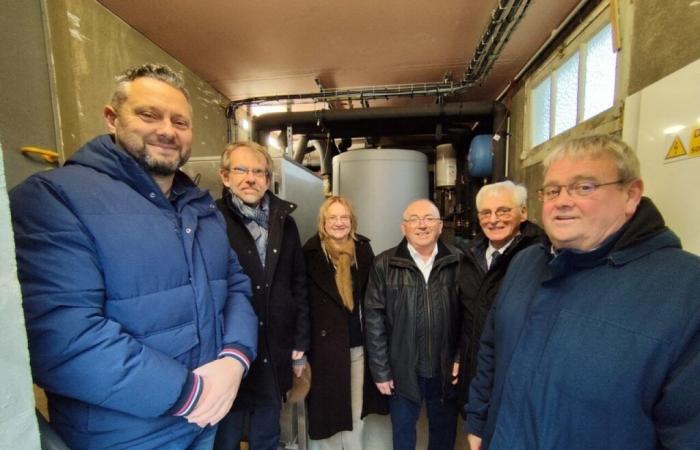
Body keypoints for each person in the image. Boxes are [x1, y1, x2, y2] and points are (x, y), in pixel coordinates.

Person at [9, 63, 258, 450]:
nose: (167, 130)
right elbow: (61, 336)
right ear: (111, 118)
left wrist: (234, 357)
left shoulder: (199, 207)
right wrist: (188, 392)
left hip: (207, 424)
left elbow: (236, 287)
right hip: (125, 435)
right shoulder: (54, 198)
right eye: (148, 115)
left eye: (180, 121)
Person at [465, 134, 700, 450]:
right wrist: (478, 422)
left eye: (584, 187)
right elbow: (491, 348)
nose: (562, 201)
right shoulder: (526, 263)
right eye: (552, 190)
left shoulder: (686, 290)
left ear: (631, 194)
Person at [214, 142, 310, 450]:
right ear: (225, 176)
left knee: (266, 437)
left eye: (258, 171)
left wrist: (299, 345)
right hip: (225, 351)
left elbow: (299, 285)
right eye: (241, 170)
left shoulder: (285, 222)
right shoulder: (209, 221)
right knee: (223, 437)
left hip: (274, 349)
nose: (251, 178)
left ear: (268, 179)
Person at [365, 199, 463, 450]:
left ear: (441, 226)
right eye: (414, 219)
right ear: (403, 227)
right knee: (403, 435)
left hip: (445, 369)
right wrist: (381, 370)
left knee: (444, 435)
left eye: (429, 218)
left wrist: (461, 356)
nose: (422, 225)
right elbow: (373, 318)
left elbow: (469, 316)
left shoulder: (459, 261)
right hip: (402, 369)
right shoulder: (384, 264)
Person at [303, 196, 388, 449]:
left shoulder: (363, 250)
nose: (339, 223)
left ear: (352, 222)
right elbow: (301, 302)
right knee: (326, 415)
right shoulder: (309, 254)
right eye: (333, 218)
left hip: (357, 348)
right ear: (323, 223)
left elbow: (374, 299)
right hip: (323, 351)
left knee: (354, 414)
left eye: (344, 217)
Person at [457, 181, 544, 407]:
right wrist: (458, 357)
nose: (493, 219)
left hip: (518, 377)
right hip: (476, 373)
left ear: (523, 213)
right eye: (486, 213)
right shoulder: (469, 257)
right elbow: (463, 317)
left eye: (503, 211)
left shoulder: (542, 255)